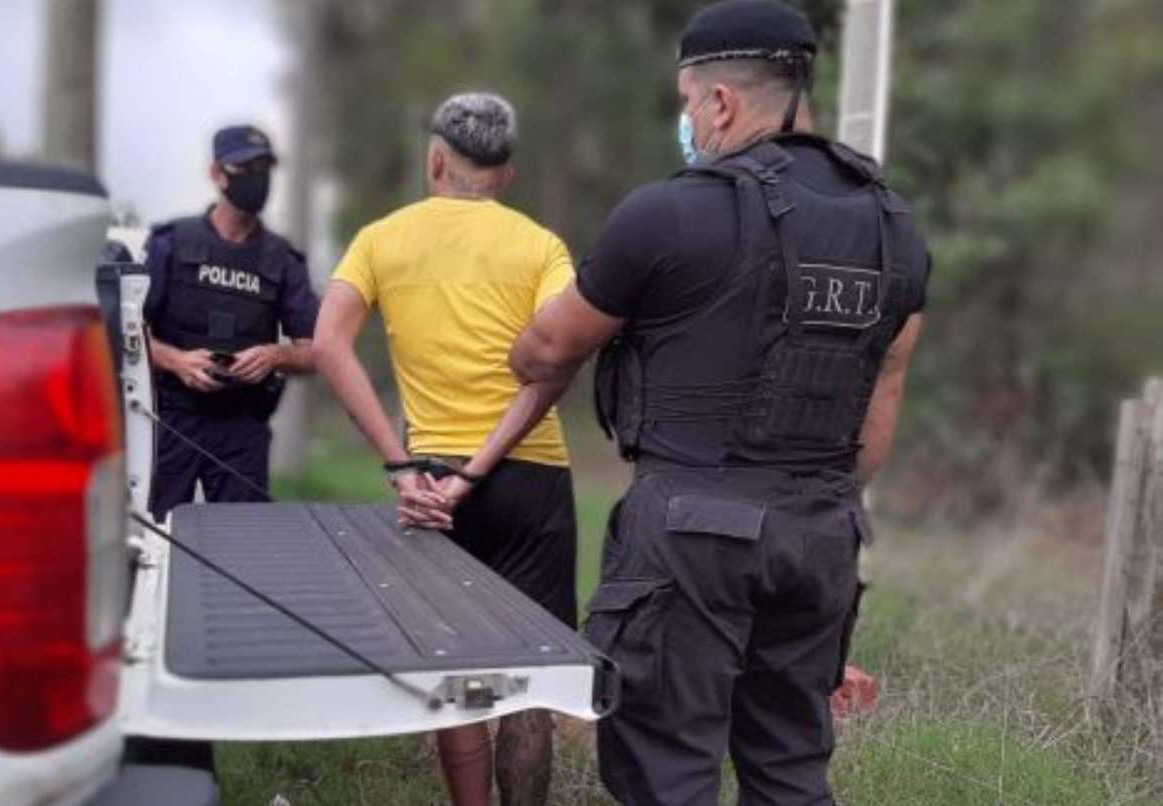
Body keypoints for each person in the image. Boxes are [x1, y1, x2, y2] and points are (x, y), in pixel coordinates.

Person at [504, 2, 932, 803]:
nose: (689, 123)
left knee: (666, 770)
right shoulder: (893, 230)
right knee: (790, 768)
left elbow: (546, 350)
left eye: (687, 105)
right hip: (821, 534)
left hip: (690, 535)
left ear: (721, 103)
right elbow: (879, 411)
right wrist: (811, 505)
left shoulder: (669, 213)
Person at [313, 92, 577, 806]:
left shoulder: (380, 238)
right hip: (531, 479)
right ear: (508, 174)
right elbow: (557, 359)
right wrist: (482, 466)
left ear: (435, 159)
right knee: (534, 676)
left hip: (428, 482)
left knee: (451, 664)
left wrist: (400, 465)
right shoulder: (542, 246)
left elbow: (327, 343)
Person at [143, 124, 319, 519]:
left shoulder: (283, 260)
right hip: (172, 422)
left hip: (243, 429)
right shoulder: (169, 244)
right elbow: (127, 336)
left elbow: (317, 353)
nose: (257, 178)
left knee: (243, 546)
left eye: (265, 167)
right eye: (246, 168)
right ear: (216, 174)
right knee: (161, 541)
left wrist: (274, 355)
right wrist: (177, 361)